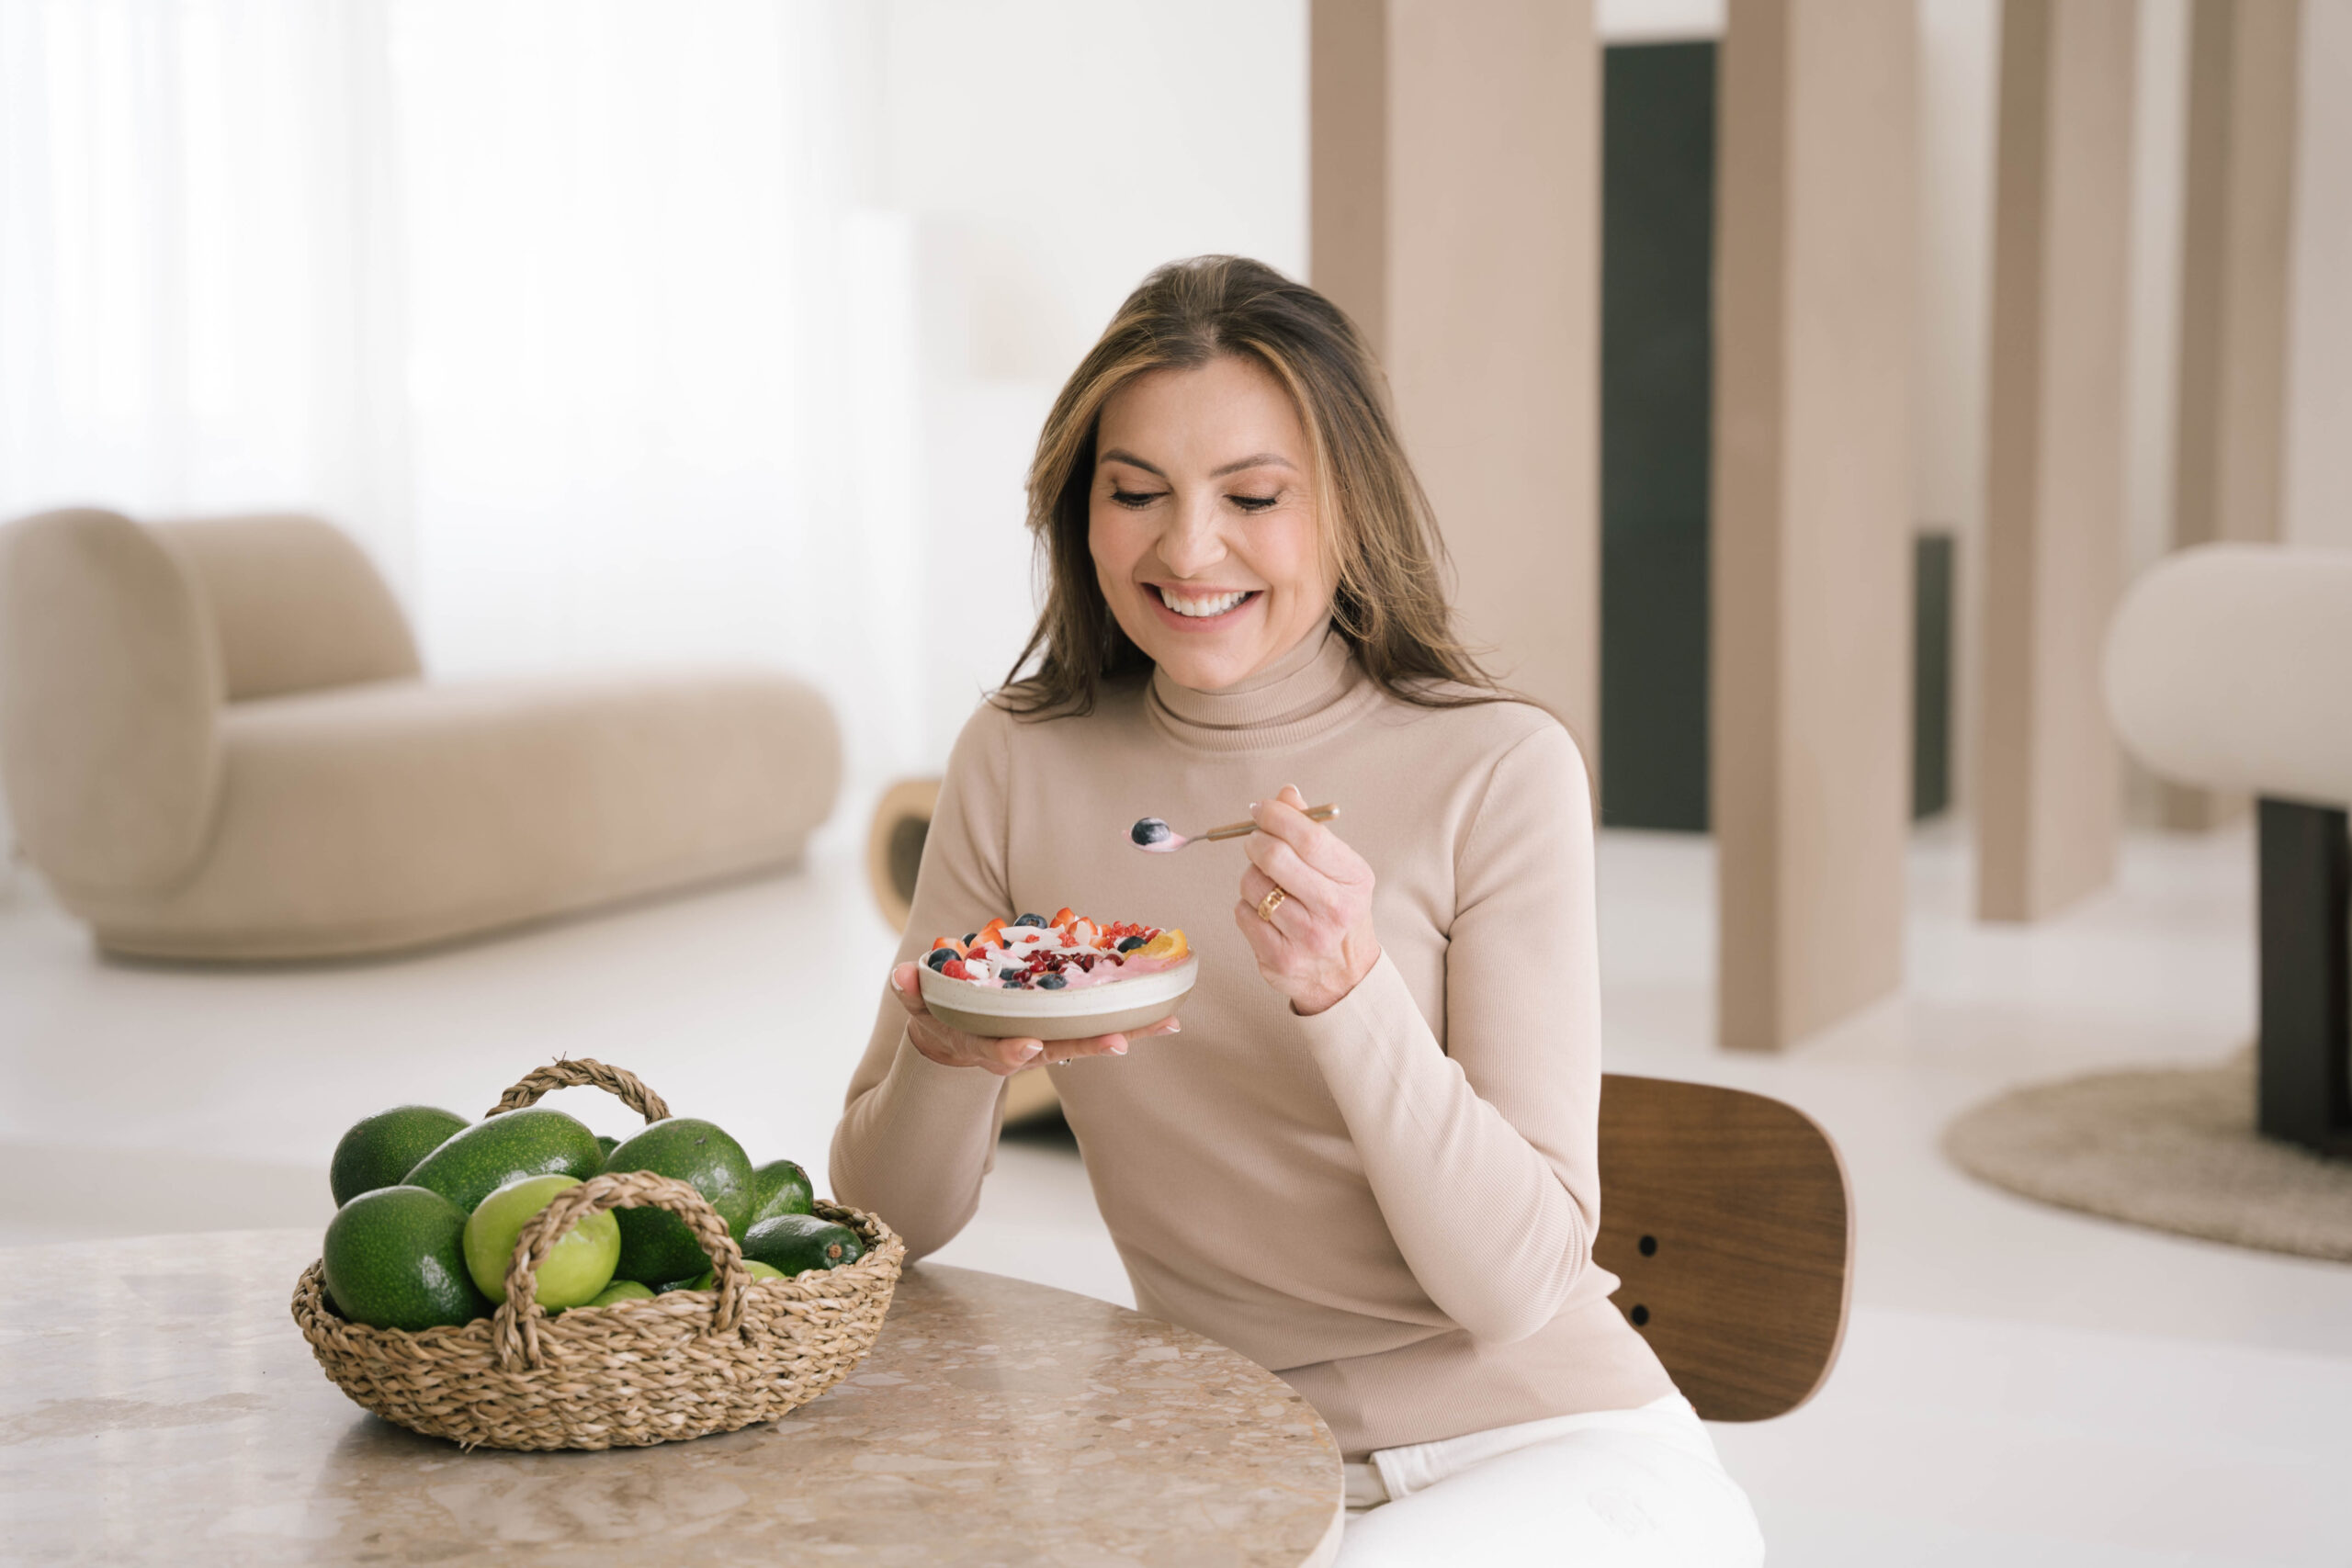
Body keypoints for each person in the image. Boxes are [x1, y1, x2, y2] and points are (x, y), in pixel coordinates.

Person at [831, 255, 1764, 1565]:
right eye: (1135, 493)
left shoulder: (1497, 768)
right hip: (1234, 1455)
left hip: (1551, 1446)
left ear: (1347, 507)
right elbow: (891, 1226)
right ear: (1080, 511)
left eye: (1253, 497)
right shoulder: (1018, 760)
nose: (1186, 549)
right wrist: (947, 1057)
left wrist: (1348, 992)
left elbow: (1516, 1286)